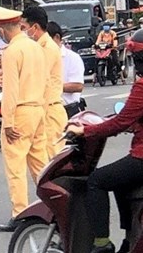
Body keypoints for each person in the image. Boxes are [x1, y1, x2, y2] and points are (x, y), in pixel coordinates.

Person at [65, 29, 143, 253]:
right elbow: (128, 119)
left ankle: (101, 243)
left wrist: (85, 131)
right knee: (120, 183)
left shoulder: (141, 87)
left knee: (97, 181)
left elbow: (118, 123)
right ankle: (130, 240)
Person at [0, 6, 49, 232]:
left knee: (15, 168)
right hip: (38, 110)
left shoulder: (13, 51)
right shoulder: (35, 47)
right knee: (41, 166)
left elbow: (11, 90)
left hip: (21, 112)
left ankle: (20, 213)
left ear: (2, 28)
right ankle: (51, 206)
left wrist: (9, 120)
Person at [22, 6, 68, 159]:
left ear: (35, 27)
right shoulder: (38, 47)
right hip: (44, 109)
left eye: (24, 27)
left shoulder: (47, 48)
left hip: (50, 110)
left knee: (53, 159)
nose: (23, 32)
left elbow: (37, 78)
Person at [47, 21, 85, 119]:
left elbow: (78, 86)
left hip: (68, 110)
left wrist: (49, 87)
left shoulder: (72, 57)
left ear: (57, 37)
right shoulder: (39, 57)